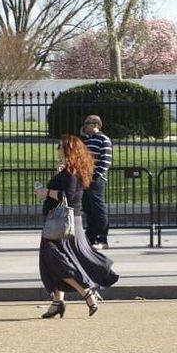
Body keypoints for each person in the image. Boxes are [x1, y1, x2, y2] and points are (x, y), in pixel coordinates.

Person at [35, 135, 118, 318]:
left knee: (56, 260)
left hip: (62, 223)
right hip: (64, 221)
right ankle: (57, 302)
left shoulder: (71, 172)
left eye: (60, 146)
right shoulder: (70, 170)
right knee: (54, 261)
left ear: (68, 150)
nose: (57, 149)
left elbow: (68, 195)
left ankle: (86, 292)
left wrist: (45, 192)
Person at [80, 114, 112, 250]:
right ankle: (90, 237)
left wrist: (96, 176)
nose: (84, 126)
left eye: (87, 123)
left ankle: (102, 239)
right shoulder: (87, 140)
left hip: (96, 180)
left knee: (98, 208)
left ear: (96, 125)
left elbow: (105, 161)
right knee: (88, 209)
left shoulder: (104, 139)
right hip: (85, 178)